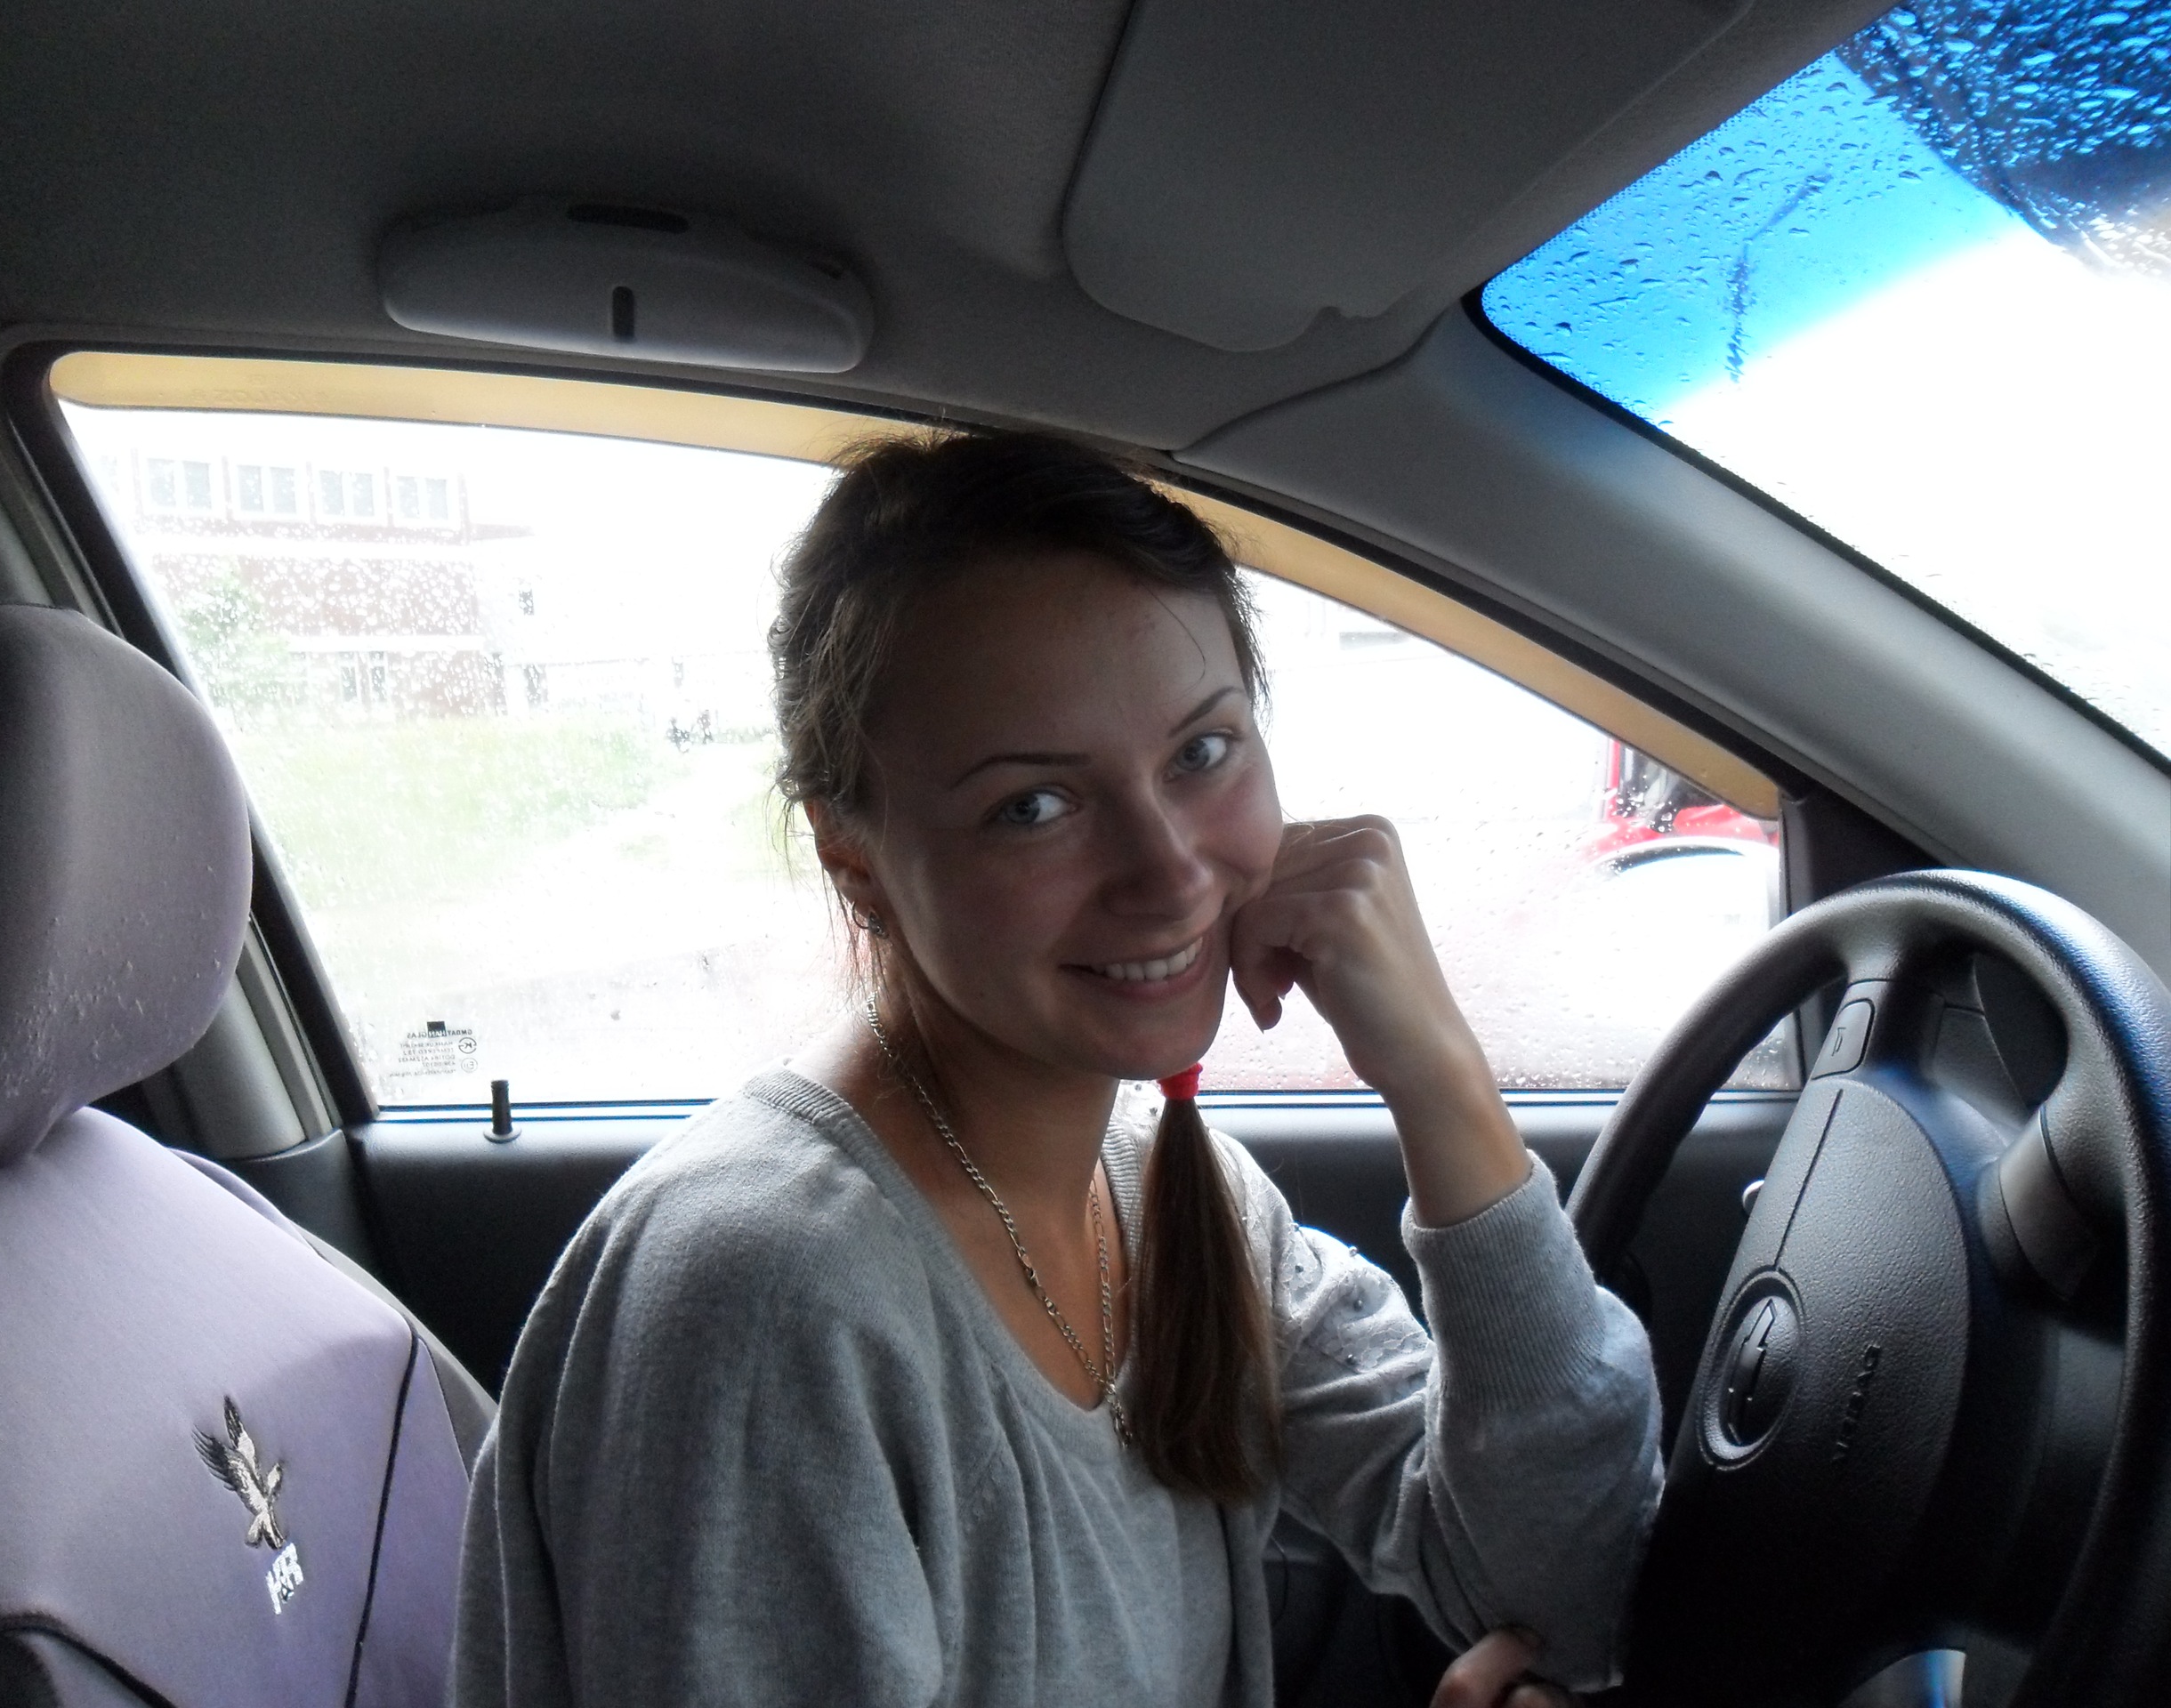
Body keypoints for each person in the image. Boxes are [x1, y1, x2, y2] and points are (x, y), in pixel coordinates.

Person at [451, 431, 1663, 1708]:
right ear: (855, 860)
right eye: (1033, 805)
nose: (1171, 871)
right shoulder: (769, 1302)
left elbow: (1561, 1591)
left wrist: (1438, 1076)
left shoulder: (1179, 1202)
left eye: (1202, 752)